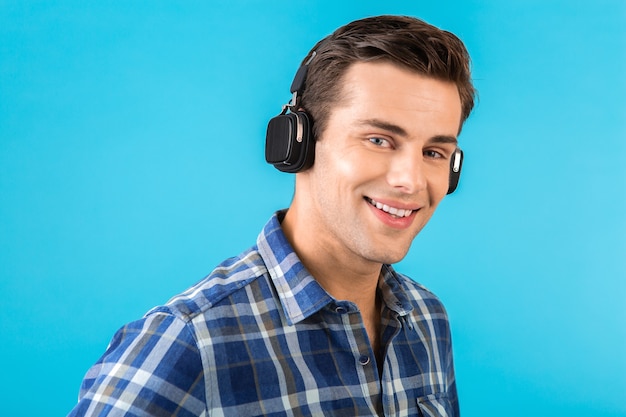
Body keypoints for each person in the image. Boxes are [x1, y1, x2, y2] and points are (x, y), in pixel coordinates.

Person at [68, 14, 475, 417]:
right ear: (297, 142)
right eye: (379, 140)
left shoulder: (425, 317)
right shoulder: (187, 341)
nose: (410, 180)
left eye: (434, 153)